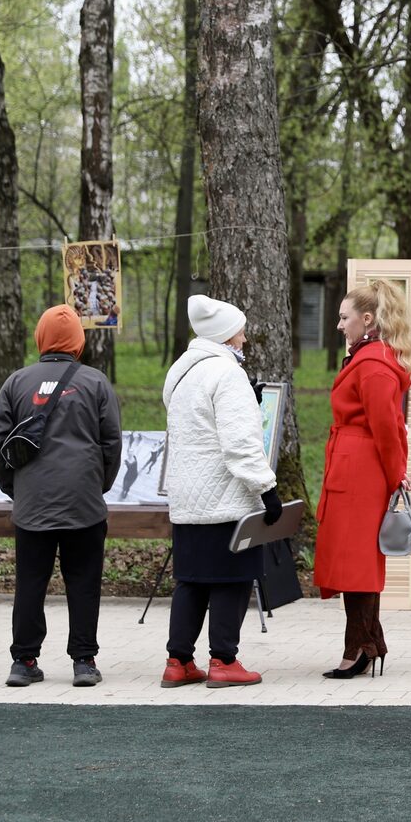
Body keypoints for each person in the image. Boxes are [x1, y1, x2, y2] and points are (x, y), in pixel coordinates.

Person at [0, 304, 122, 688]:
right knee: (84, 580)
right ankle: (84, 661)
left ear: (40, 339)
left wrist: (14, 488)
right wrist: (99, 485)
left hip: (33, 506)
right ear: (79, 342)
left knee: (30, 581)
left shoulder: (16, 382)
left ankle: (23, 661)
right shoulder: (95, 382)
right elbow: (111, 442)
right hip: (84, 503)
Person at [160, 295, 281, 689]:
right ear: (227, 336)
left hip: (186, 498)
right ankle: (224, 661)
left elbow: (197, 425)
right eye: (240, 332)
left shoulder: (180, 371)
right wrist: (266, 489)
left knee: (191, 580)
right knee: (232, 578)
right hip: (226, 500)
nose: (244, 339)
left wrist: (250, 398)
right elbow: (240, 443)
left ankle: (178, 662)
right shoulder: (228, 375)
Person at [313, 279, 411, 677]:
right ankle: (369, 642)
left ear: (367, 319)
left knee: (357, 562)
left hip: (360, 470)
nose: (339, 325)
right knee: (357, 560)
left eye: (344, 317)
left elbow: (387, 428)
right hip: (357, 465)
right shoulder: (372, 358)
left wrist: (396, 475)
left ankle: (359, 647)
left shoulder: (373, 364)